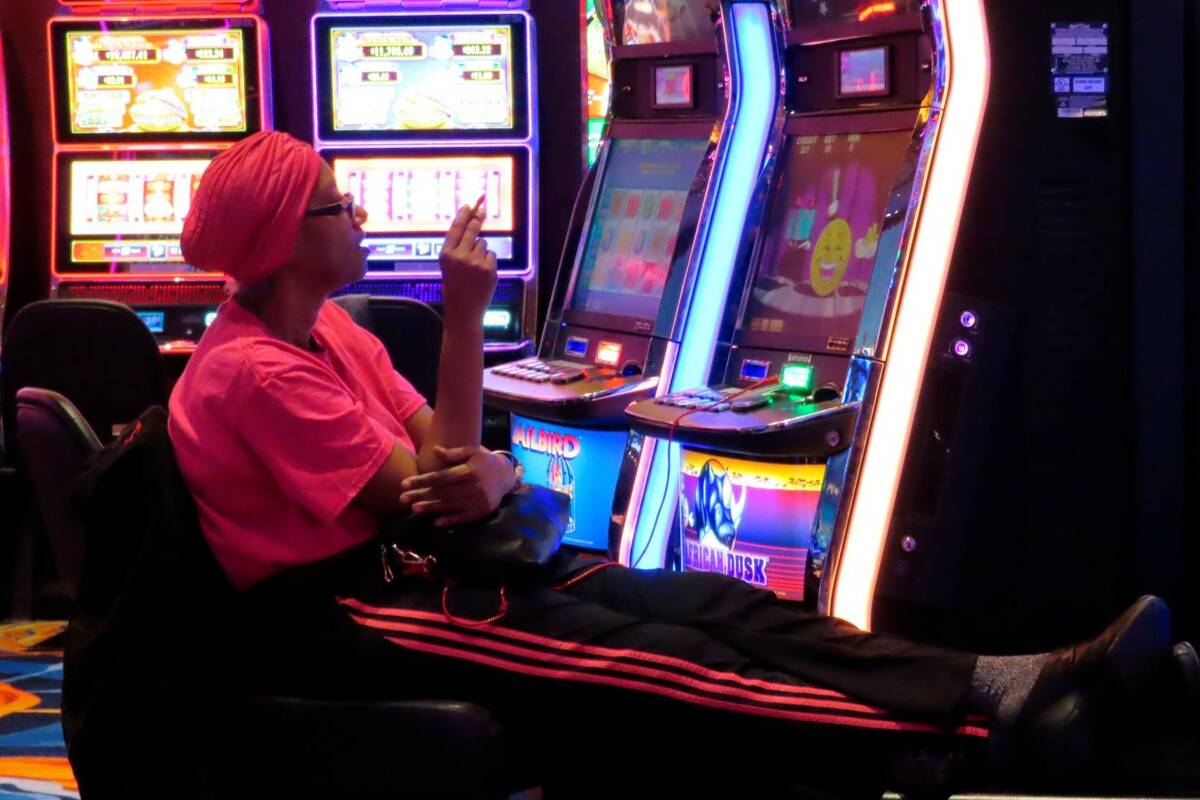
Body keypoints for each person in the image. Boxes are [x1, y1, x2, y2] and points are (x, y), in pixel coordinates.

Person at [168, 131, 1190, 793]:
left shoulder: (329, 335)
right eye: (336, 206)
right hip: (346, 612)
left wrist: (473, 467)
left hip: (420, 567)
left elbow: (450, 461)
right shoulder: (252, 372)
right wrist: (467, 348)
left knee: (715, 601)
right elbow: (432, 493)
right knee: (669, 659)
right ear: (282, 238)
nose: (356, 215)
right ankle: (1016, 738)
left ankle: (1004, 676)